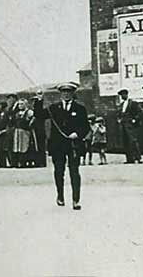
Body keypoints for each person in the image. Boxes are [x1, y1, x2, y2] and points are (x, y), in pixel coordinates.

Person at [37, 82, 89, 210]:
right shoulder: (54, 108)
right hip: (57, 145)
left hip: (73, 145)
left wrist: (77, 134)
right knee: (59, 171)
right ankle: (60, 196)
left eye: (69, 92)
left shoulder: (80, 108)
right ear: (60, 93)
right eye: (64, 92)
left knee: (74, 172)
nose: (66, 94)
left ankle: (76, 200)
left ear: (72, 93)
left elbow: (86, 127)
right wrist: (39, 100)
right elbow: (39, 115)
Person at [117, 89, 143, 164]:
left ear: (126, 94)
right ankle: (129, 159)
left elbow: (140, 112)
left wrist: (135, 119)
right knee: (125, 142)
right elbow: (119, 114)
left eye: (123, 95)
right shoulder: (121, 105)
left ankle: (138, 158)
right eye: (121, 95)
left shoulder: (133, 103)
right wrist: (119, 119)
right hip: (123, 125)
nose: (122, 96)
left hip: (131, 125)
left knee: (133, 141)